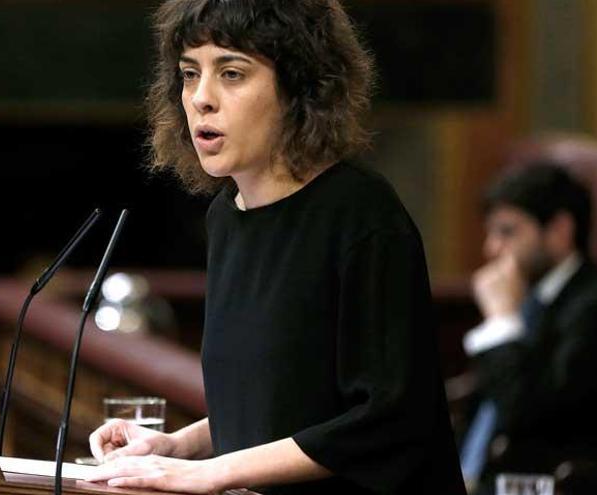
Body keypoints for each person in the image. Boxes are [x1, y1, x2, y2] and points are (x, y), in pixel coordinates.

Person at [85, 1, 466, 493]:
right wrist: (182, 446)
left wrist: (208, 473)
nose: (201, 97)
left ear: (298, 87)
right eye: (188, 73)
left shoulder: (362, 215)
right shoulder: (227, 216)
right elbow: (291, 409)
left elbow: (389, 419)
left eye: (232, 73)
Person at [459, 163, 597, 493]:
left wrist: (502, 322)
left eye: (507, 232)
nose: (491, 249)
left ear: (560, 229)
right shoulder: (526, 294)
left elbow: (527, 415)